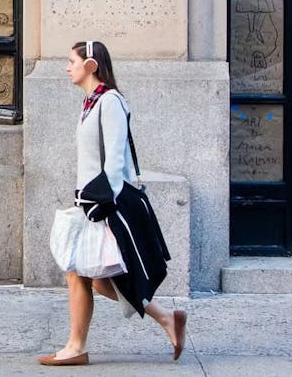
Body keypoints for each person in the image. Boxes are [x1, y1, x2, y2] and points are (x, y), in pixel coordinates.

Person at [39, 40, 187, 367]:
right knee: (94, 278)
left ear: (90, 65)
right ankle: (165, 319)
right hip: (90, 203)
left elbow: (116, 163)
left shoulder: (111, 102)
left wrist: (102, 204)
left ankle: (77, 347)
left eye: (71, 61)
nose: (67, 67)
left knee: (79, 271)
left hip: (104, 205)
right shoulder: (90, 104)